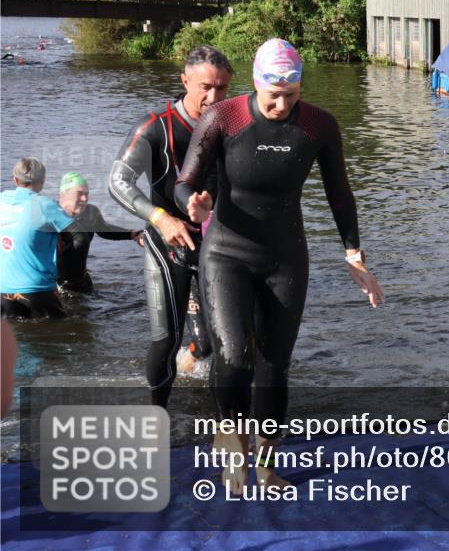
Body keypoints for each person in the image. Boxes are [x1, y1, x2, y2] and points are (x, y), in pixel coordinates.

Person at [175, 38, 384, 491]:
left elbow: (340, 193)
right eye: (273, 95)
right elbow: (184, 180)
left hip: (285, 256)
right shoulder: (223, 117)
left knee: (274, 364)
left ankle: (267, 466)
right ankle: (234, 451)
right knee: (233, 356)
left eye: (291, 95)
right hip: (226, 253)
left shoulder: (319, 125)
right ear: (256, 83)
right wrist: (192, 203)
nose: (282, 104)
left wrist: (353, 254)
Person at [109, 45, 232, 408]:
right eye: (205, 87)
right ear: (185, 81)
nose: (214, 98)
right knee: (166, 340)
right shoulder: (155, 127)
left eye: (222, 88)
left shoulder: (233, 124)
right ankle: (156, 418)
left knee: (224, 342)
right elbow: (118, 181)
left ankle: (226, 423)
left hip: (218, 246)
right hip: (168, 246)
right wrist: (160, 218)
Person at [0, 158, 74, 319]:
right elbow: (77, 236)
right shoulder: (46, 205)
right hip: (38, 290)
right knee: (63, 330)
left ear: (15, 179)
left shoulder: (2, 199)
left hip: (3, 291)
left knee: (16, 332)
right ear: (43, 181)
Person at [56, 172, 141, 293]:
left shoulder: (90, 212)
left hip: (82, 282)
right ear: (62, 195)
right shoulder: (49, 216)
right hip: (54, 285)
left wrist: (132, 234)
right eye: (79, 194)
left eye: (86, 194)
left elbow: (105, 230)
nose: (84, 199)